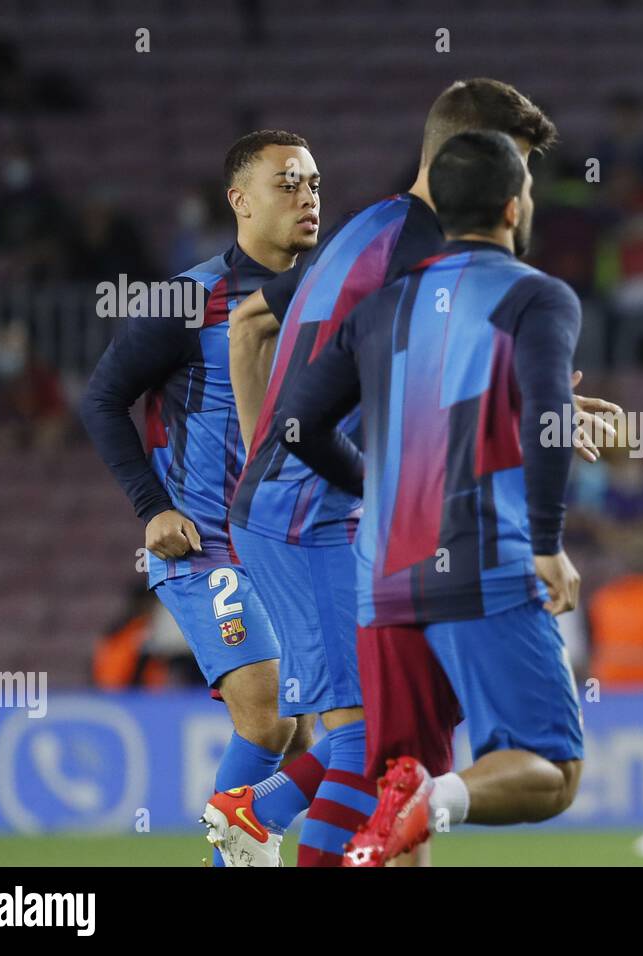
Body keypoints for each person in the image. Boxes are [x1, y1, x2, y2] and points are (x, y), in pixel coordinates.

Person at [211, 79, 570, 867]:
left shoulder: (368, 225)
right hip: (315, 506)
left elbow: (247, 326)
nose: (518, 188)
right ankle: (262, 817)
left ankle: (257, 810)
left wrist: (262, 453)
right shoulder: (428, 250)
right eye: (515, 165)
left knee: (377, 736)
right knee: (369, 741)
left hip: (292, 496)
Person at [80, 130, 325, 866]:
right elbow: (101, 399)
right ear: (240, 200)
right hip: (205, 544)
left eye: (314, 183)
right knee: (265, 705)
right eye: (288, 183)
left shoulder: (331, 297)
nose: (308, 197)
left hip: (289, 545)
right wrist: (150, 506)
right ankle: (238, 849)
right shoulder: (189, 299)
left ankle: (260, 840)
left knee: (315, 736)